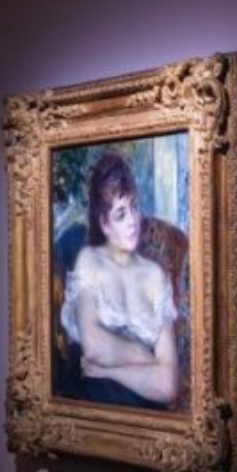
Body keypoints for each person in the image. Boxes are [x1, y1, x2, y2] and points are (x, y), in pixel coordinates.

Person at [59, 152, 179, 409]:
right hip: (95, 400)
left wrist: (109, 371)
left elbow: (168, 385)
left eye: (134, 207)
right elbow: (93, 346)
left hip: (146, 405)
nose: (133, 221)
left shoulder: (156, 276)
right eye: (121, 214)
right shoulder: (90, 261)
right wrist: (142, 354)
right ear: (104, 224)